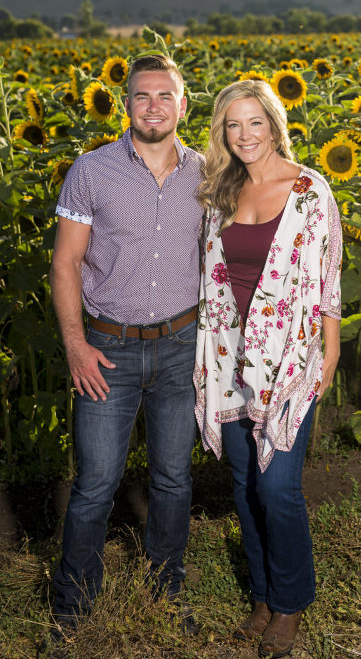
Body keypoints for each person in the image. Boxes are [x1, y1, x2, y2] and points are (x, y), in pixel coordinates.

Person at [49, 54, 203, 639]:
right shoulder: (91, 171)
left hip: (180, 345)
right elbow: (65, 264)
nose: (155, 105)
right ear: (127, 104)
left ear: (183, 106)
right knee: (96, 484)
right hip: (106, 348)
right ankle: (74, 603)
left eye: (166, 96)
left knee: (171, 479)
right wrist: (74, 346)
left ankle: (167, 590)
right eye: (143, 96)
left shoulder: (206, 172)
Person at [194, 79, 342, 658]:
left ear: (274, 124)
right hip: (230, 358)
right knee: (243, 482)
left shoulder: (309, 190)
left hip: (290, 356)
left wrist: (330, 350)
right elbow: (212, 282)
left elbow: (328, 273)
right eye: (233, 124)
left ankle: (290, 601)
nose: (245, 135)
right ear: (222, 133)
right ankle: (261, 594)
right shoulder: (219, 194)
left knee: (278, 485)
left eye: (255, 122)